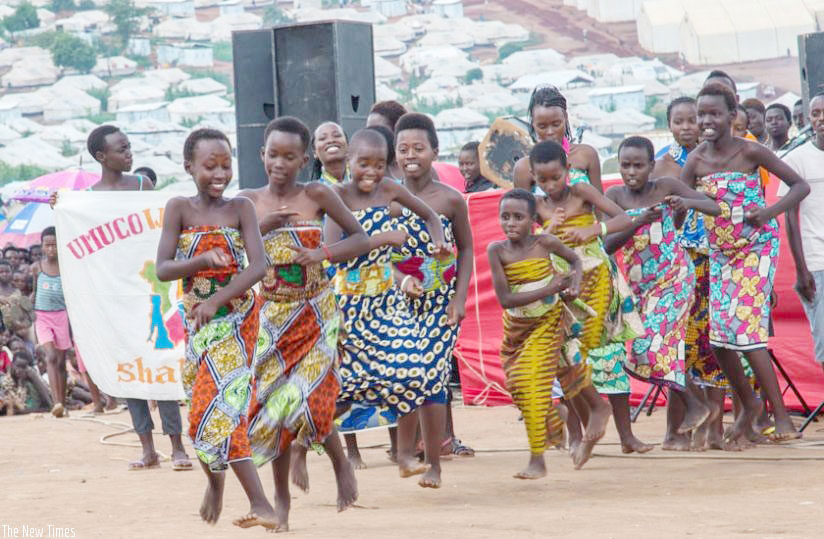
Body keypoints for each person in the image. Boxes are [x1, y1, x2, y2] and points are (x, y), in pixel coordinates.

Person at [242, 117, 369, 529]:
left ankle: (339, 463)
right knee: (278, 407)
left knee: (313, 398)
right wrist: (259, 228)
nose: (280, 163)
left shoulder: (317, 194)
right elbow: (232, 255)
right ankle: (281, 499)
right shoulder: (246, 202)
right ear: (262, 155)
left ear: (304, 159)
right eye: (273, 155)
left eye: (290, 156)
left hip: (317, 313)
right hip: (272, 319)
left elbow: (360, 238)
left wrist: (323, 254)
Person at [155, 128, 278, 530]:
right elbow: (163, 268)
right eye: (210, 166)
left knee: (223, 409)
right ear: (189, 167)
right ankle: (216, 483)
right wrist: (201, 261)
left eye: (226, 165)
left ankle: (261, 504)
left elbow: (258, 266)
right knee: (199, 415)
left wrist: (217, 299)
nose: (220, 173)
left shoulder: (240, 208)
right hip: (198, 325)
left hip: (238, 322)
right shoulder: (179, 208)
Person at [682, 83, 810, 444]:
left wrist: (768, 212)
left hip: (756, 249)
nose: (706, 121)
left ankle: (781, 418)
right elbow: (679, 200)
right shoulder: (695, 160)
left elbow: (800, 186)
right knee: (719, 341)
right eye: (701, 114)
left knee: (747, 335)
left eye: (714, 113)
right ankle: (751, 405)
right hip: (720, 253)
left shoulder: (751, 151)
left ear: (731, 115)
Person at [326, 128, 449, 477]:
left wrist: (438, 242)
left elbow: (431, 216)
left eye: (379, 165)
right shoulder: (336, 196)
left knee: (412, 372)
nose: (372, 172)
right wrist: (381, 239)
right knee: (345, 390)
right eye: (363, 164)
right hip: (350, 307)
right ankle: (300, 440)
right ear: (349, 161)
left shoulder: (391, 189)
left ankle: (406, 455)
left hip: (387, 302)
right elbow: (331, 252)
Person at [533, 139, 647, 462]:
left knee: (603, 354)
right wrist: (547, 230)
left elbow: (625, 218)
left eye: (556, 177)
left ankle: (620, 431)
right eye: (543, 180)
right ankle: (582, 431)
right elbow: (527, 243)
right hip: (563, 287)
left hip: (596, 283)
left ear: (568, 170)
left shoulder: (581, 192)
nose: (551, 185)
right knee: (565, 358)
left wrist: (594, 229)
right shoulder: (537, 205)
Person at [85, 126, 192, 469]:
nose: (129, 153)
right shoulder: (87, 198)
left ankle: (177, 445)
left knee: (161, 363)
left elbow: (159, 226)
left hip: (150, 288)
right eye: (121, 149)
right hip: (115, 295)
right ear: (101, 156)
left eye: (129, 147)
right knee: (130, 370)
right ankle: (147, 448)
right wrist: (64, 206)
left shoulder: (144, 186)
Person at [605, 136, 720, 447]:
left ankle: (695, 404)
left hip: (675, 278)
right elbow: (607, 245)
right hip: (639, 286)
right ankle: (694, 405)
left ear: (651, 166)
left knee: (649, 346)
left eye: (638, 165)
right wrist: (636, 222)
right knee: (650, 352)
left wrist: (686, 203)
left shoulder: (666, 186)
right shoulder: (613, 196)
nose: (632, 172)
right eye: (626, 165)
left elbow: (713, 206)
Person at [391, 112, 474, 486]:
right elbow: (378, 256)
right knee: (408, 373)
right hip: (401, 304)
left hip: (441, 305)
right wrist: (401, 281)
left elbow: (466, 250)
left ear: (435, 152)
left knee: (433, 375)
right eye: (403, 149)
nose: (410, 155)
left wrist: (459, 298)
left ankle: (435, 463)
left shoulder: (450, 200)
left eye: (418, 148)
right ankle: (407, 452)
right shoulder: (389, 200)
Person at [488, 188, 583, 479]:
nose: (510, 223)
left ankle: (537, 460)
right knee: (516, 384)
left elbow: (576, 261)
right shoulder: (497, 251)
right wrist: (550, 288)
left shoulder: (546, 242)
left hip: (547, 323)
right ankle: (555, 419)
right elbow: (505, 299)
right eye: (505, 217)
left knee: (532, 383)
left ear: (532, 220)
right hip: (516, 330)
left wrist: (574, 285)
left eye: (518, 217)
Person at [782, 93, 824, 377]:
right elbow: (790, 217)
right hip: (816, 260)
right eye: (815, 114)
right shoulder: (796, 159)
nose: (821, 119)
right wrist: (801, 269)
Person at [514, 85, 603, 194]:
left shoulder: (587, 155)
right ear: (533, 124)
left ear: (565, 118)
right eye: (542, 126)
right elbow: (522, 204)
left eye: (556, 124)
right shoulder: (523, 168)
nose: (550, 132)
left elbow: (600, 202)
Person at [31, 227, 74, 418]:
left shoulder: (66, 268)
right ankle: (56, 402)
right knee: (50, 356)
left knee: (61, 362)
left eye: (54, 245)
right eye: (47, 245)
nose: (51, 249)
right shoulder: (36, 267)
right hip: (42, 316)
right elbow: (34, 292)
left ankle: (62, 404)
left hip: (61, 316)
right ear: (42, 246)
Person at [367, 100, 408, 181]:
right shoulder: (363, 169)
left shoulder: (415, 168)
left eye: (378, 130)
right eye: (368, 130)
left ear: (397, 131)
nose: (371, 136)